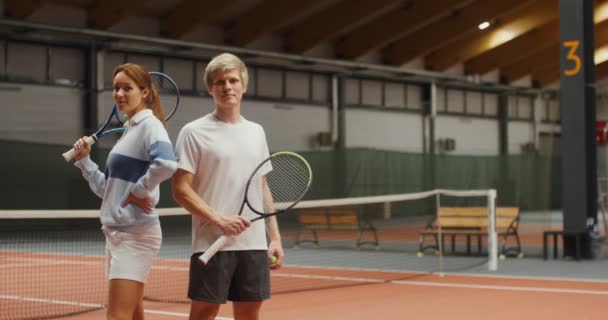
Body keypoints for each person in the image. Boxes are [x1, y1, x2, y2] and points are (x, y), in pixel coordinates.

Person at [172, 52, 284, 320]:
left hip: (254, 245)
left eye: (233, 80)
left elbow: (262, 186)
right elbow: (181, 190)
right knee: (203, 314)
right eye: (220, 82)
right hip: (211, 243)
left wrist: (275, 237)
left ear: (243, 86)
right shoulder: (193, 132)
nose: (227, 87)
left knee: (249, 315)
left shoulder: (256, 132)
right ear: (211, 88)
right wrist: (219, 220)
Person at [71, 63, 177, 320]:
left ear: (145, 92)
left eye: (126, 88)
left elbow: (167, 164)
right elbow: (108, 191)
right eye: (116, 87)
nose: (119, 93)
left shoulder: (150, 126)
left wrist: (140, 191)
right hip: (117, 235)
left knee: (117, 316)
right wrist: (85, 161)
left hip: (135, 236)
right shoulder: (130, 131)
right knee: (134, 313)